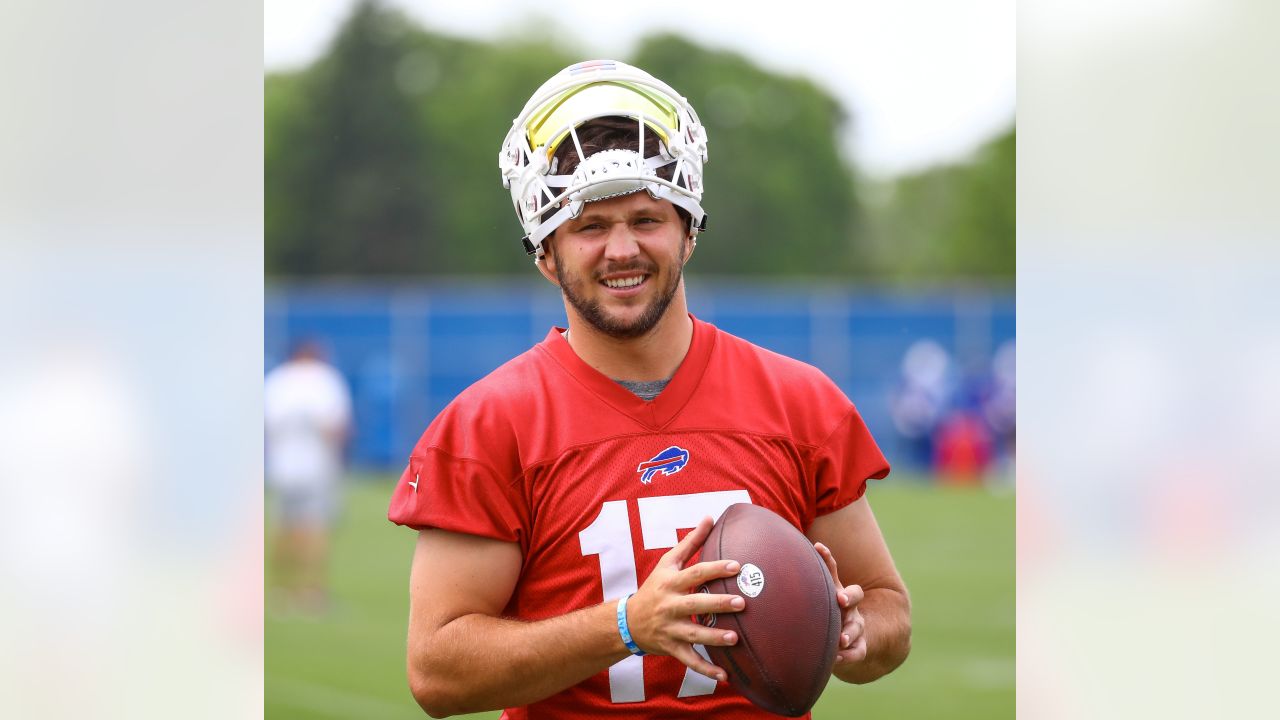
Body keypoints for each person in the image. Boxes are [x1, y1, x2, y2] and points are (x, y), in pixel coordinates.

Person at [388, 60, 910, 718]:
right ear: (545, 252)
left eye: (646, 218)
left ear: (689, 231)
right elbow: (437, 674)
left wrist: (855, 634)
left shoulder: (798, 402)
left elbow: (889, 611)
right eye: (589, 227)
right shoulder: (489, 425)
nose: (621, 249)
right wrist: (628, 625)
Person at [265, 338, 352, 615]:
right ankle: (311, 592)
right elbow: (335, 426)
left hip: (282, 466)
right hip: (316, 466)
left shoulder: (277, 380)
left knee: (284, 526)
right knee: (315, 526)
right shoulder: (325, 380)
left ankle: (280, 590)